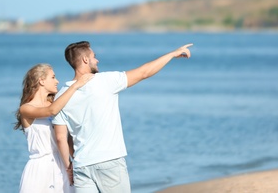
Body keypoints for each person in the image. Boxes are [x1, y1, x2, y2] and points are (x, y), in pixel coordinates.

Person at [52, 41, 193, 193]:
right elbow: (144, 72)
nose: (97, 60)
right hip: (109, 162)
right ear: (85, 60)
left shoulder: (61, 96)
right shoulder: (105, 81)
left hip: (82, 166)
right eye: (94, 57)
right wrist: (171, 54)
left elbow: (61, 139)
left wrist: (69, 167)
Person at [14, 63, 93, 193]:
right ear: (41, 80)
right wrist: (75, 86)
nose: (57, 81)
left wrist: (74, 163)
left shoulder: (55, 104)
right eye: (53, 77)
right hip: (39, 169)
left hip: (63, 165)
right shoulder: (26, 108)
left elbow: (66, 139)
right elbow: (51, 111)